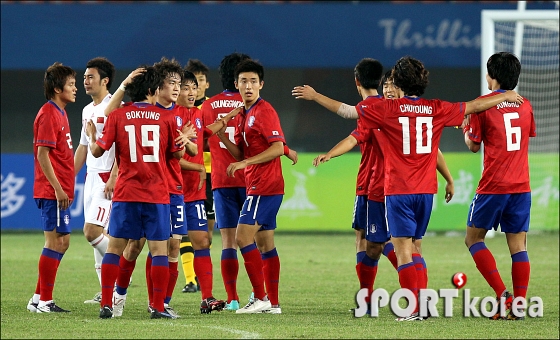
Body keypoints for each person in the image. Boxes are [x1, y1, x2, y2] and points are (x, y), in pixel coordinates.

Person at [293, 55, 523, 321]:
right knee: (416, 246)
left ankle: (414, 308)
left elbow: (349, 112)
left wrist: (317, 103)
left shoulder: (385, 109)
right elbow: (472, 106)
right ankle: (422, 304)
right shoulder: (436, 107)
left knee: (402, 249)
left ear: (398, 83)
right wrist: (505, 96)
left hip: (398, 189)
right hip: (426, 191)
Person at [308, 66, 454, 313]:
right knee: (381, 244)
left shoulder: (386, 112)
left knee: (387, 244)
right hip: (392, 188)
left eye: (393, 85)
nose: (388, 89)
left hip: (385, 189)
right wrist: (331, 154)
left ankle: (414, 302)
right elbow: (356, 135)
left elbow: (349, 113)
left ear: (402, 88)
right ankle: (380, 300)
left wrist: (448, 178)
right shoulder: (382, 112)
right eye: (385, 85)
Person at [88, 65, 188, 319]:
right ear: (153, 90)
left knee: (114, 249)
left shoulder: (118, 116)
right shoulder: (165, 118)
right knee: (159, 251)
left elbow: (98, 151)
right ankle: (157, 306)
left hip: (126, 193)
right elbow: (176, 155)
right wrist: (184, 140)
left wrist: (91, 137)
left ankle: (107, 304)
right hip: (156, 194)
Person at [217, 59, 297, 315]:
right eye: (244, 81)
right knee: (265, 244)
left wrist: (246, 164)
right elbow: (242, 152)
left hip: (265, 185)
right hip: (258, 184)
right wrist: (221, 135)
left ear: (261, 84)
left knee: (242, 237)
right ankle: (272, 303)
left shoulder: (264, 111)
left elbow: (276, 147)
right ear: (236, 84)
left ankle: (260, 298)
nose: (248, 86)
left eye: (253, 81)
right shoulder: (243, 114)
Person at [463, 52, 534, 321]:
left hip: (493, 185)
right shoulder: (525, 105)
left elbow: (473, 146)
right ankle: (519, 305)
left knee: (473, 238)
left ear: (491, 76)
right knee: (518, 247)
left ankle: (503, 295)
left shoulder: (482, 105)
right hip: (521, 186)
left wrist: (465, 129)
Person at [200, 52, 251, 310]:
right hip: (251, 179)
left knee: (228, 241)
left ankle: (232, 299)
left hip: (221, 180)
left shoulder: (208, 106)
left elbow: (202, 141)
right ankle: (259, 295)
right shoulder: (249, 103)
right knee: (257, 240)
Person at [27, 62, 77, 314]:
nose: (75, 88)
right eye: (71, 84)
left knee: (62, 241)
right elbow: (42, 154)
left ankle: (38, 298)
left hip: (59, 189)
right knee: (55, 241)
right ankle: (45, 301)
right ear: (57, 88)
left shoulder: (60, 111)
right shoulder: (48, 113)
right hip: (51, 191)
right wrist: (57, 187)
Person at [176, 68, 227, 314]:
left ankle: (206, 297)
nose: (190, 92)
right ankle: (158, 301)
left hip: (195, 190)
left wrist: (226, 120)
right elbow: (169, 158)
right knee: (165, 246)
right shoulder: (168, 115)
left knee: (203, 240)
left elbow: (203, 134)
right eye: (185, 88)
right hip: (171, 190)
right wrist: (198, 169)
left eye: (193, 88)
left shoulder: (197, 114)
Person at [74, 57, 118, 304]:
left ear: (105, 80)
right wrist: (69, 177)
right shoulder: (87, 110)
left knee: (93, 232)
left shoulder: (114, 107)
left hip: (106, 178)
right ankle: (107, 294)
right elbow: (83, 147)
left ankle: (121, 263)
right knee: (96, 241)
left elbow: (122, 148)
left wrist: (114, 175)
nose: (86, 82)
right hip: (91, 177)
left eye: (90, 77)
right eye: (84, 77)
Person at [181, 58, 212, 294]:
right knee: (171, 241)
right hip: (177, 185)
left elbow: (209, 136)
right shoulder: (174, 113)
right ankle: (189, 278)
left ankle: (206, 293)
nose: (195, 89)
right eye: (189, 85)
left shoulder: (205, 111)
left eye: (198, 84)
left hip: (205, 182)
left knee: (204, 237)